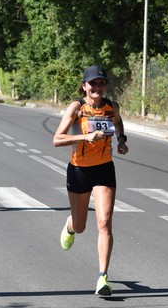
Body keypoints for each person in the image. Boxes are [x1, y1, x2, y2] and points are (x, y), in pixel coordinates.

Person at [53, 65, 129, 296]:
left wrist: (122, 139)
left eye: (101, 83)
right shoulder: (77, 107)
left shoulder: (111, 107)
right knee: (81, 226)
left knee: (104, 223)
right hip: (79, 171)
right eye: (93, 83)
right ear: (84, 86)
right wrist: (86, 136)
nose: (97, 87)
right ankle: (70, 225)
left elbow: (118, 122)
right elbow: (57, 139)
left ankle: (102, 278)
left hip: (104, 169)